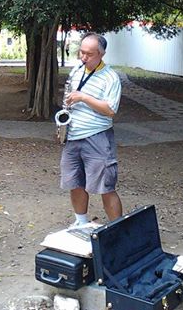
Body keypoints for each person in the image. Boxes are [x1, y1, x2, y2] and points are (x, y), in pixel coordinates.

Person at [60, 32, 122, 227]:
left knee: (106, 186)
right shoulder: (77, 71)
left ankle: (118, 230)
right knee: (74, 182)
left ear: (101, 54)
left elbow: (110, 110)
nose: (83, 57)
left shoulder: (110, 77)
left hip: (98, 137)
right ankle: (81, 222)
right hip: (73, 135)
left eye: (89, 54)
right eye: (81, 52)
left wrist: (83, 97)